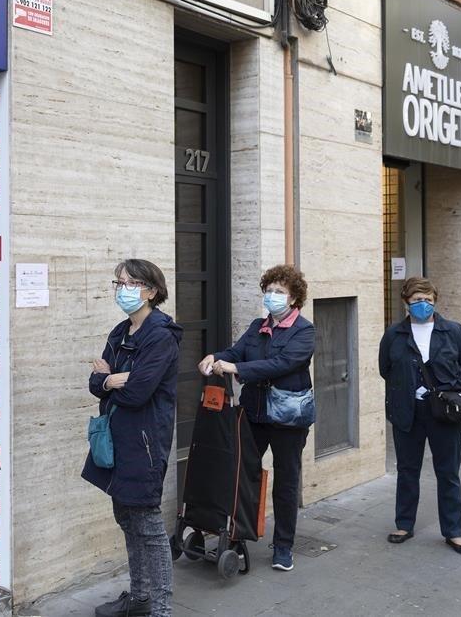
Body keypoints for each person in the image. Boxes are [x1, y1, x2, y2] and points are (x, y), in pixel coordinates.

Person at [199, 264, 314, 572]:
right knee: (244, 475)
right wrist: (217, 357)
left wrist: (238, 370)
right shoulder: (256, 327)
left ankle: (284, 546)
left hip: (288, 417)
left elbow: (282, 363)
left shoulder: (304, 331)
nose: (272, 296)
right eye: (269, 290)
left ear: (293, 298)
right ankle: (238, 537)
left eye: (280, 292)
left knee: (286, 481)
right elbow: (237, 352)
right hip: (255, 412)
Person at [83, 259, 182, 617]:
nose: (122, 289)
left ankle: (161, 609)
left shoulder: (161, 336)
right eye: (118, 282)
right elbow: (95, 383)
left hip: (145, 443)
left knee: (149, 527)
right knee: (126, 519)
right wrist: (111, 380)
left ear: (151, 291)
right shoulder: (119, 332)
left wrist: (115, 379)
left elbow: (139, 392)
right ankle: (139, 599)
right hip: (116, 439)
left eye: (130, 283)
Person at [379, 277, 461, 556]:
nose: (423, 304)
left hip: (444, 411)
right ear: (406, 302)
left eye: (428, 299)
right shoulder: (394, 335)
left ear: (435, 300)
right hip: (407, 410)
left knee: (448, 472)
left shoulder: (453, 331)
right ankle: (404, 524)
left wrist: (444, 387)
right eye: (417, 299)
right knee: (407, 470)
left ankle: (454, 532)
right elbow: (385, 368)